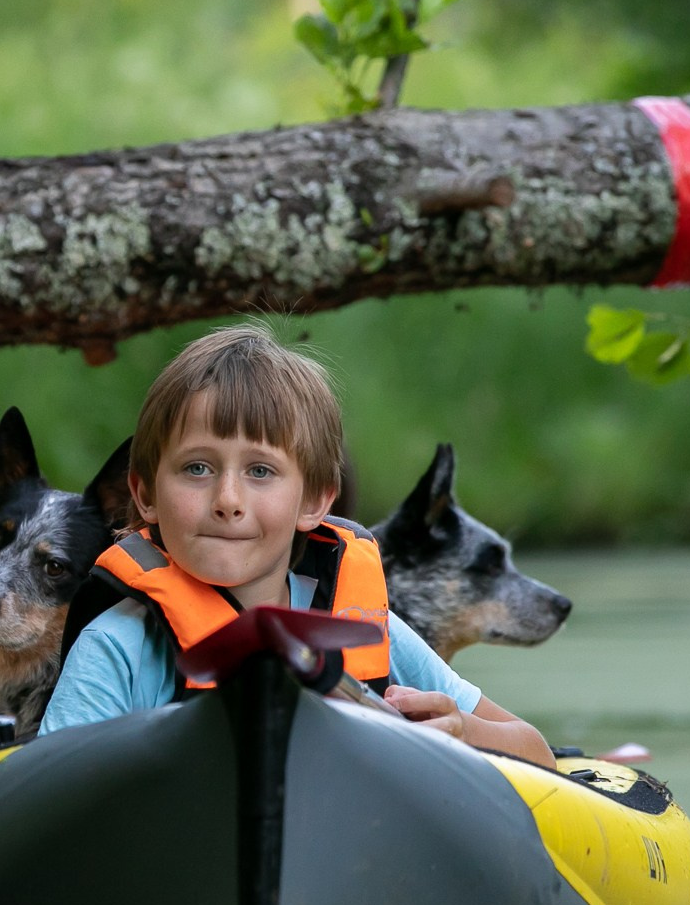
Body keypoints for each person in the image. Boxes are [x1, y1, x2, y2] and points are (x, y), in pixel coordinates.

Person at [38, 324, 556, 768]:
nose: (228, 500)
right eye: (197, 468)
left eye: (260, 471)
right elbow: (46, 796)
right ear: (145, 494)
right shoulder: (115, 647)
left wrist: (463, 731)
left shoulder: (366, 629)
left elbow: (538, 756)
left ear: (314, 501)